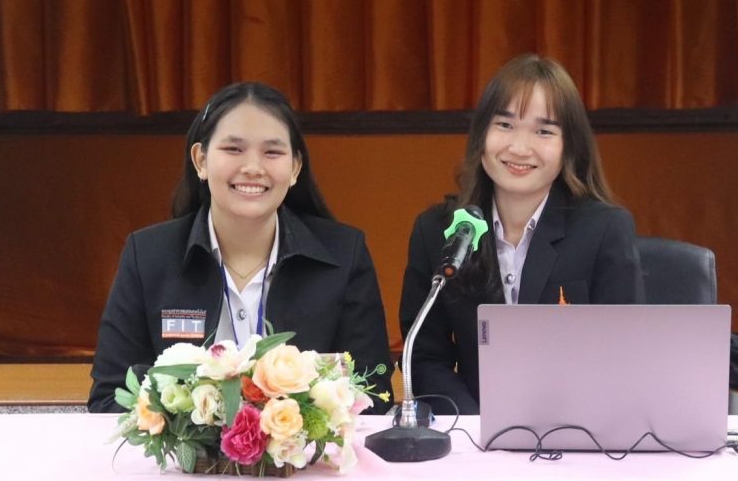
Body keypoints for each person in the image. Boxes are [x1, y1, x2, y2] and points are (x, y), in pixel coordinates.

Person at [89, 82, 392, 412]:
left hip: (301, 447)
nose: (253, 167)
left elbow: (372, 393)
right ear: (201, 160)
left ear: (294, 168)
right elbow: (110, 396)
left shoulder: (344, 254)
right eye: (234, 149)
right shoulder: (147, 255)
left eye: (272, 152)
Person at [400, 54, 644, 415]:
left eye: (544, 131)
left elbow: (622, 357)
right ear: (481, 134)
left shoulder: (604, 230)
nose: (519, 148)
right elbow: (424, 357)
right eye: (505, 125)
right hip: (472, 434)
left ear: (569, 145)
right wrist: (480, 429)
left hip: (577, 431)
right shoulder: (439, 231)